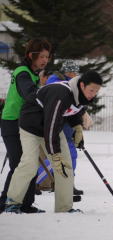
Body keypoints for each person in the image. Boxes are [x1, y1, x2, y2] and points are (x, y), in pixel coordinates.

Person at [4, 70, 102, 213]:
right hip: (31, 125)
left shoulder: (80, 96)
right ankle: (11, 203)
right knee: (29, 163)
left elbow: (71, 111)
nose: (93, 94)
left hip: (51, 127)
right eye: (91, 90)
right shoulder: (61, 94)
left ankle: (64, 207)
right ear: (82, 85)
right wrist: (54, 154)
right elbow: (51, 125)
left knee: (65, 164)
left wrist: (77, 127)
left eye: (96, 91)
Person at [0, 39, 51, 213]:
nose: (45, 60)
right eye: (41, 56)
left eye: (47, 56)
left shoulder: (33, 74)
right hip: (12, 122)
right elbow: (29, 94)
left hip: (25, 124)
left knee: (29, 163)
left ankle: (26, 204)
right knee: (19, 165)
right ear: (31, 56)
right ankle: (5, 203)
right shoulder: (23, 72)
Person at [39, 60, 84, 196]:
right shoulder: (55, 81)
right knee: (58, 154)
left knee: (70, 154)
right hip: (57, 123)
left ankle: (67, 182)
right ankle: (37, 180)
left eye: (75, 71)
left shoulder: (74, 83)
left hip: (68, 123)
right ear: (66, 71)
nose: (74, 74)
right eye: (72, 71)